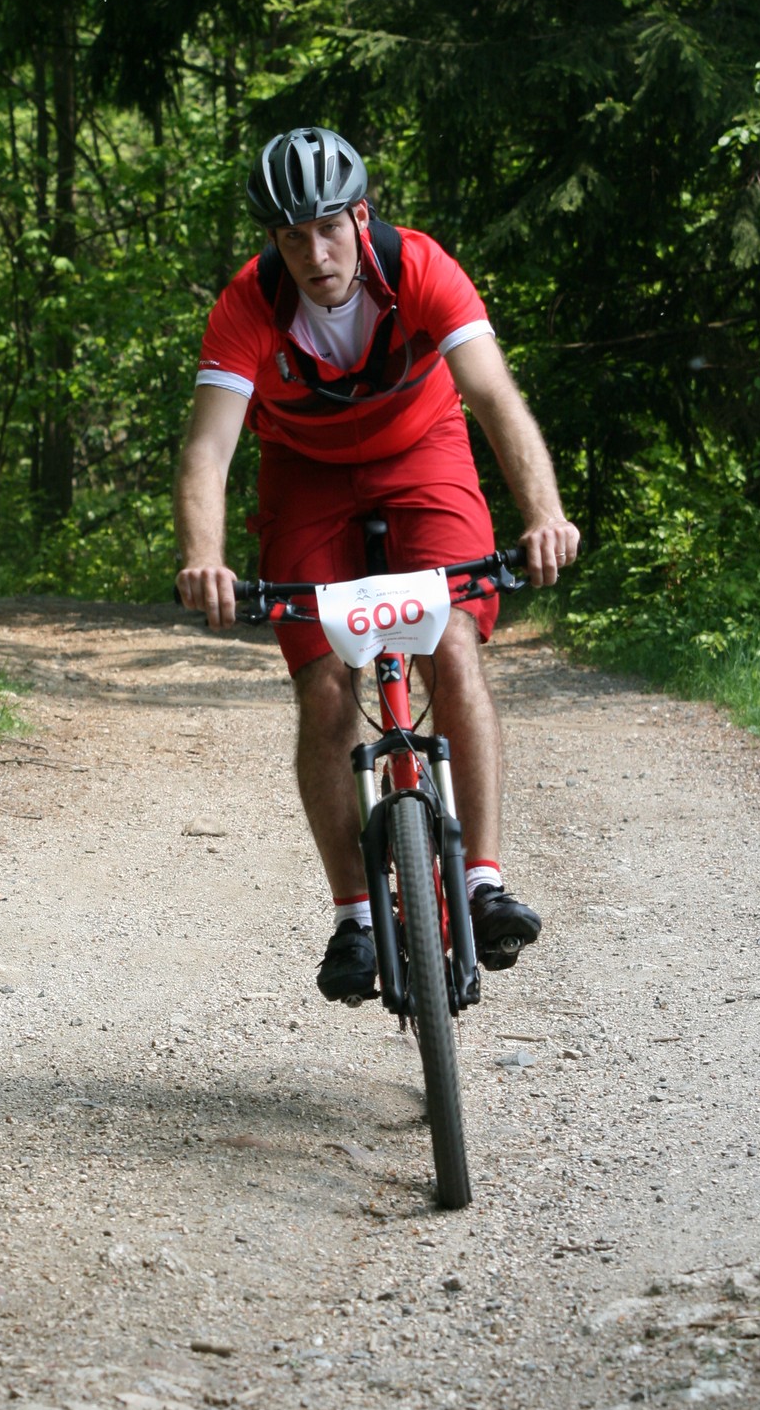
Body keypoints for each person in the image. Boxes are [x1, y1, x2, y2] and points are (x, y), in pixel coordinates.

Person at [175, 126, 579, 1003]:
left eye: (328, 228)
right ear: (273, 242)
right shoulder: (247, 305)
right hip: (304, 474)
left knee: (452, 646)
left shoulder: (423, 268)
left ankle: (481, 881)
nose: (314, 254)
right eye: (292, 237)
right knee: (324, 685)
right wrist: (203, 558)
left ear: (360, 217)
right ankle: (355, 916)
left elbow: (491, 396)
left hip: (422, 450)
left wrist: (544, 515)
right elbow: (208, 449)